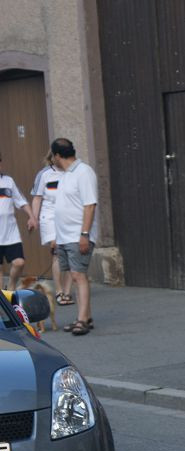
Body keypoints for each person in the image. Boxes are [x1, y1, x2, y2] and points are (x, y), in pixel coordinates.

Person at [51, 138, 98, 336]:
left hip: (78, 234)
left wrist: (84, 234)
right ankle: (84, 316)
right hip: (65, 236)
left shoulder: (83, 172)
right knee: (76, 275)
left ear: (57, 156)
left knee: (79, 275)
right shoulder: (65, 175)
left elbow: (90, 205)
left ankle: (82, 321)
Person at [31, 150, 73, 305]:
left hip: (69, 217)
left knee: (70, 253)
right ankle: (59, 292)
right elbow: (37, 198)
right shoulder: (44, 174)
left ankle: (68, 293)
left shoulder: (73, 173)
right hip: (49, 217)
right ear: (53, 156)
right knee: (57, 252)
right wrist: (34, 218)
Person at [0, 152, 36, 290]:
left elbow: (21, 201)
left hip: (10, 233)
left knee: (19, 262)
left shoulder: (8, 181)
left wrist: (32, 217)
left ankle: (11, 285)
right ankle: (4, 305)